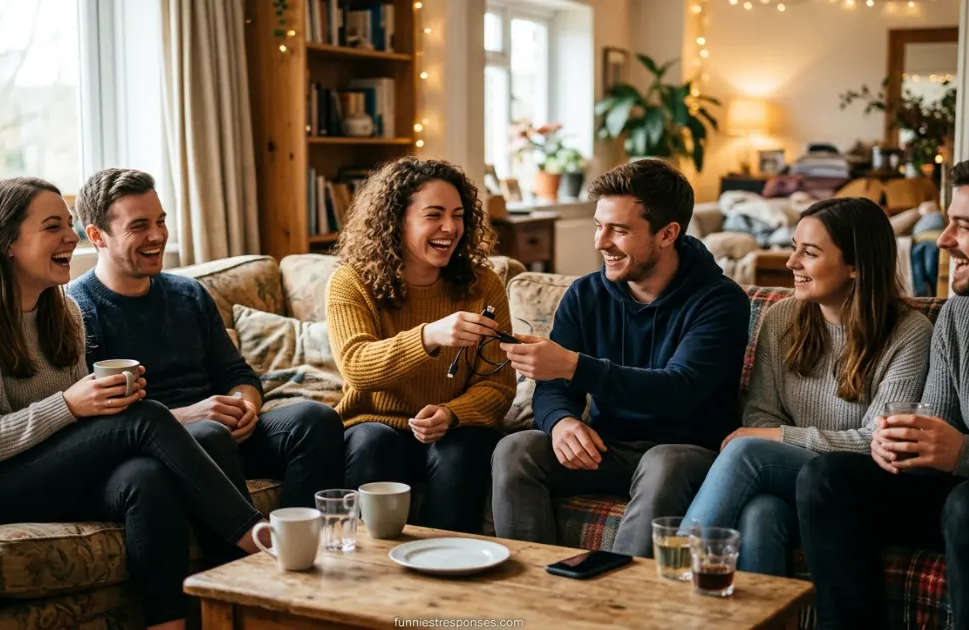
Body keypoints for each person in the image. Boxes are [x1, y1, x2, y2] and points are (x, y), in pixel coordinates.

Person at [0, 178, 264, 630]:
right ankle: (251, 535)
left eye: (69, 224)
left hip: (43, 472)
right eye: (53, 227)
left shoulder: (62, 311)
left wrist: (102, 405)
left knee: (145, 477)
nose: (71, 238)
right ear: (6, 241)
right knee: (147, 417)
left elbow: (78, 435)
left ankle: (170, 624)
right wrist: (70, 405)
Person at [796, 153, 969, 630]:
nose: (943, 239)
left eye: (964, 226)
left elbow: (965, 455)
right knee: (828, 478)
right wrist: (897, 444)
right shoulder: (961, 315)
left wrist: (967, 455)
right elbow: (938, 429)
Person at [491, 159, 751, 558]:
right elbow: (553, 388)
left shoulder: (720, 301)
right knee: (516, 449)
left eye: (619, 230)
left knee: (664, 462)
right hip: (607, 448)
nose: (601, 242)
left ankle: (621, 604)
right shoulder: (585, 295)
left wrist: (574, 365)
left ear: (668, 234)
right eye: (599, 225)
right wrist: (560, 421)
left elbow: (679, 389)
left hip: (685, 452)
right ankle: (535, 597)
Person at [682, 197, 933, 577]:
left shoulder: (910, 333)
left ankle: (666, 588)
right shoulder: (781, 317)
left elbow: (877, 440)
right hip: (793, 476)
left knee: (747, 451)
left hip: (860, 480)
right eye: (795, 247)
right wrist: (774, 434)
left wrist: (781, 436)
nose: (791, 262)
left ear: (855, 266)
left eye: (809, 252)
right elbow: (760, 413)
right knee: (761, 513)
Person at [67, 168, 344, 509]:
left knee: (316, 420)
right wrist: (187, 417)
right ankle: (246, 552)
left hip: (223, 433)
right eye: (139, 226)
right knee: (208, 435)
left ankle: (302, 545)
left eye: (161, 221)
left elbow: (237, 373)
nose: (157, 236)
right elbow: (98, 420)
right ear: (97, 235)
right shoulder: (76, 311)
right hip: (159, 448)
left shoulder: (188, 293)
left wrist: (244, 406)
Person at [325, 156, 514, 534]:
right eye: (434, 215)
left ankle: (445, 565)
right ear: (396, 221)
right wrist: (428, 336)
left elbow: (499, 385)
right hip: (373, 424)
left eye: (459, 215)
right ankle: (364, 571)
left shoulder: (483, 285)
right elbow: (356, 366)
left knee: (466, 448)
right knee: (375, 443)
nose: (450, 227)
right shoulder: (351, 283)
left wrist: (452, 413)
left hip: (449, 430)